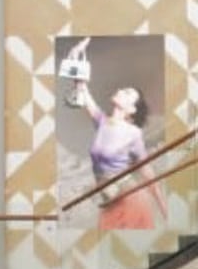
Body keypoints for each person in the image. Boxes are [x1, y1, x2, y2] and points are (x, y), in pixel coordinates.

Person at [62, 37, 166, 229]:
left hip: (129, 200)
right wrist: (76, 55)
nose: (120, 90)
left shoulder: (133, 133)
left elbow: (146, 171)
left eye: (127, 93)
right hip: (108, 202)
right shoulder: (101, 121)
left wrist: (163, 207)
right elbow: (82, 90)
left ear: (132, 110)